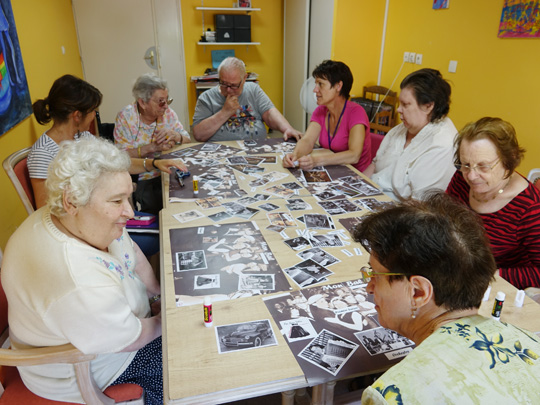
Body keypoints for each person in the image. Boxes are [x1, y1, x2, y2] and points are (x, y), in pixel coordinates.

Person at [2, 137, 163, 404]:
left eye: (128, 197)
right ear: (71, 202)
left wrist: (158, 295)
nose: (130, 212)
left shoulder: (77, 219)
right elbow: (128, 338)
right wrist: (164, 320)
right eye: (116, 201)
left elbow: (131, 252)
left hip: (107, 328)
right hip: (85, 368)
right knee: (182, 364)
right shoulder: (77, 278)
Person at [352, 192, 540, 403]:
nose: (369, 287)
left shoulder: (392, 393)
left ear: (418, 292)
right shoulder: (531, 342)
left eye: (376, 275)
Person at [28, 74, 188, 209]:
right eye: (92, 111)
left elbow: (118, 162)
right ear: (77, 116)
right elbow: (45, 209)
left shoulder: (83, 137)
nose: (94, 116)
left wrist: (155, 164)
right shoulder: (43, 153)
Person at [446, 117, 540, 290]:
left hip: (496, 288)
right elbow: (442, 221)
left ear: (509, 161)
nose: (471, 176)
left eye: (483, 166)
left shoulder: (530, 208)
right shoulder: (461, 178)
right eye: (466, 164)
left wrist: (492, 275)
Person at [364, 68, 457, 200]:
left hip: (400, 208)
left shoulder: (442, 144)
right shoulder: (400, 130)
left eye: (405, 105)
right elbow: (375, 164)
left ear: (428, 106)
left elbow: (419, 204)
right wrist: (356, 186)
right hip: (370, 194)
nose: (398, 110)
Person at [114, 73, 191, 214]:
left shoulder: (168, 114)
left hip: (170, 171)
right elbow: (120, 158)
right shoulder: (126, 117)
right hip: (144, 176)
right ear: (142, 103)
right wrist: (152, 147)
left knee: (188, 198)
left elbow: (187, 139)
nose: (166, 106)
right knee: (160, 205)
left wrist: (177, 136)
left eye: (167, 100)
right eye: (161, 102)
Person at [282, 60, 372, 172]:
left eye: (320, 84)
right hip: (334, 169)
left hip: (357, 174)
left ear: (338, 86)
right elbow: (307, 140)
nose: (315, 90)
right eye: (316, 84)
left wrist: (316, 161)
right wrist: (294, 156)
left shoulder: (356, 113)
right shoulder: (320, 111)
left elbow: (354, 155)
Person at [192, 57, 302, 142]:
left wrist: (287, 128)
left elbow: (269, 113)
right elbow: (198, 134)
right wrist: (225, 112)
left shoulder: (253, 90)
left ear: (244, 78)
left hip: (256, 148)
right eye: (224, 84)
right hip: (221, 153)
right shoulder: (206, 98)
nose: (229, 90)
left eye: (234, 85)